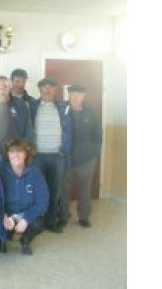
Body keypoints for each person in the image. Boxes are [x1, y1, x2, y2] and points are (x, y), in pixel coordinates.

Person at [30, 78, 72, 233]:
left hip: (57, 156)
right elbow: (27, 128)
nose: (47, 90)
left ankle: (51, 220)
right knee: (37, 190)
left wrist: (64, 149)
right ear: (40, 90)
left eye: (50, 88)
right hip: (37, 156)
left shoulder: (63, 107)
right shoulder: (32, 106)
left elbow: (68, 130)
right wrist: (30, 149)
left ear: (55, 90)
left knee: (55, 191)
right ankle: (37, 222)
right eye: (44, 88)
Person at [60, 84, 102, 228]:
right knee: (63, 190)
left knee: (84, 190)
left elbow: (98, 135)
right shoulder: (61, 110)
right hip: (66, 159)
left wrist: (94, 154)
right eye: (72, 94)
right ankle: (64, 216)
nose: (75, 97)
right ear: (69, 95)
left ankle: (84, 216)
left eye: (78, 94)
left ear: (84, 96)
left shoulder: (91, 112)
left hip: (86, 160)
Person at [0, 138, 48, 255]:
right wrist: (3, 215)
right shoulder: (0, 171)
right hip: (7, 214)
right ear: (7, 154)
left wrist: (26, 219)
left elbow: (42, 202)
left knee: (39, 223)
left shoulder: (35, 173)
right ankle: (2, 239)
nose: (15, 155)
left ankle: (25, 240)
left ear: (26, 154)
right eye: (11, 151)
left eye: (19, 151)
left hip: (26, 213)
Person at [0, 75, 33, 165]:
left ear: (9, 87)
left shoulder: (21, 104)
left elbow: (28, 128)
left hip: (16, 152)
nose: (2, 90)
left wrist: (25, 149)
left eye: (5, 87)